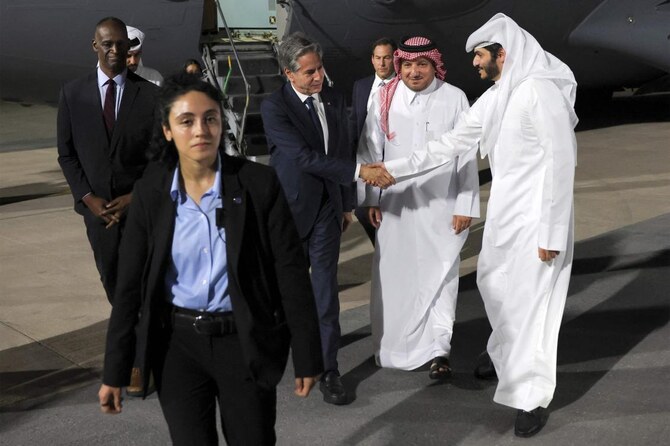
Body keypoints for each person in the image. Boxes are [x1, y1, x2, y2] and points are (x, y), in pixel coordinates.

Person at [369, 14, 578, 437]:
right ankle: (504, 354)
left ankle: (530, 397)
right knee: (493, 284)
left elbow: (562, 162)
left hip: (538, 219)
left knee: (532, 306)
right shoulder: (498, 96)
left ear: (503, 53)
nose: (475, 63)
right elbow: (449, 144)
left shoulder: (540, 92)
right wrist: (390, 169)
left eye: (481, 55)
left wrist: (552, 233)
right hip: (505, 214)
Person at [98, 74, 324, 445]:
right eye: (186, 121)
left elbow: (291, 273)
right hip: (177, 347)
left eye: (210, 118)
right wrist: (115, 370)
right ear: (168, 130)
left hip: (243, 341)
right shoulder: (151, 192)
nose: (201, 130)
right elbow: (129, 287)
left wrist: (307, 354)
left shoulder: (258, 184)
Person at [260, 32, 387, 405]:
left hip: (328, 212)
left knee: (325, 292)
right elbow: (303, 157)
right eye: (309, 72)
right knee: (286, 290)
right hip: (289, 212)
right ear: (289, 73)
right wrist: (360, 173)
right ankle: (281, 352)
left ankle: (329, 369)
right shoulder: (275, 107)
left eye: (319, 68)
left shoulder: (333, 97)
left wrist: (346, 204)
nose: (318, 77)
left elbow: (342, 147)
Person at [358, 36, 480, 379]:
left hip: (441, 205)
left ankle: (439, 350)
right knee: (394, 277)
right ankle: (394, 348)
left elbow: (467, 156)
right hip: (395, 206)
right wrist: (371, 199)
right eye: (408, 65)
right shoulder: (385, 96)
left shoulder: (454, 97)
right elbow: (370, 151)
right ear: (399, 65)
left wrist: (466, 203)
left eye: (422, 65)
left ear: (434, 65)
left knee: (441, 276)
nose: (414, 72)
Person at [57, 17, 158, 304]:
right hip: (98, 213)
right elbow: (67, 154)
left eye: (120, 44)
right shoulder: (73, 94)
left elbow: (162, 157)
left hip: (139, 210)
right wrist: (88, 198)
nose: (114, 50)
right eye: (107, 44)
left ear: (128, 47)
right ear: (95, 46)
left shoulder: (151, 96)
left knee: (145, 283)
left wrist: (134, 197)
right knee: (113, 282)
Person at [350, 37, 397, 244]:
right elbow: (355, 123)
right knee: (364, 212)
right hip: (366, 162)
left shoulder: (403, 86)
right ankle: (382, 251)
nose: (382, 63)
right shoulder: (361, 86)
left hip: (392, 164)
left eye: (387, 58)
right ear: (372, 59)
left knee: (390, 217)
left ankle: (390, 254)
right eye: (378, 58)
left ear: (395, 58)